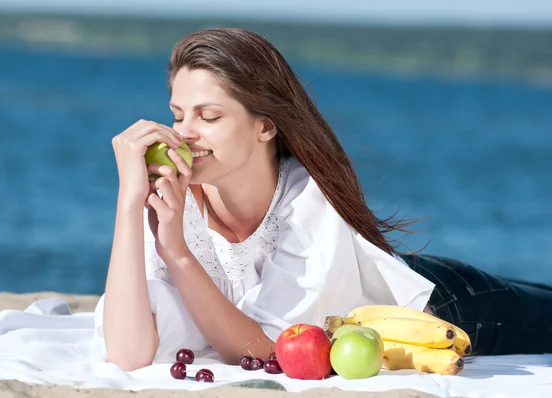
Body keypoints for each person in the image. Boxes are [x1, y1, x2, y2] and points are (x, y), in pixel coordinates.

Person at [92, 28, 552, 371]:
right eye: (178, 114)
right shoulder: (173, 198)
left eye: (209, 116)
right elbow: (128, 354)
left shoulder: (309, 200)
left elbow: (263, 349)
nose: (185, 133)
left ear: (265, 126)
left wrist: (177, 253)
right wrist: (129, 205)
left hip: (445, 306)